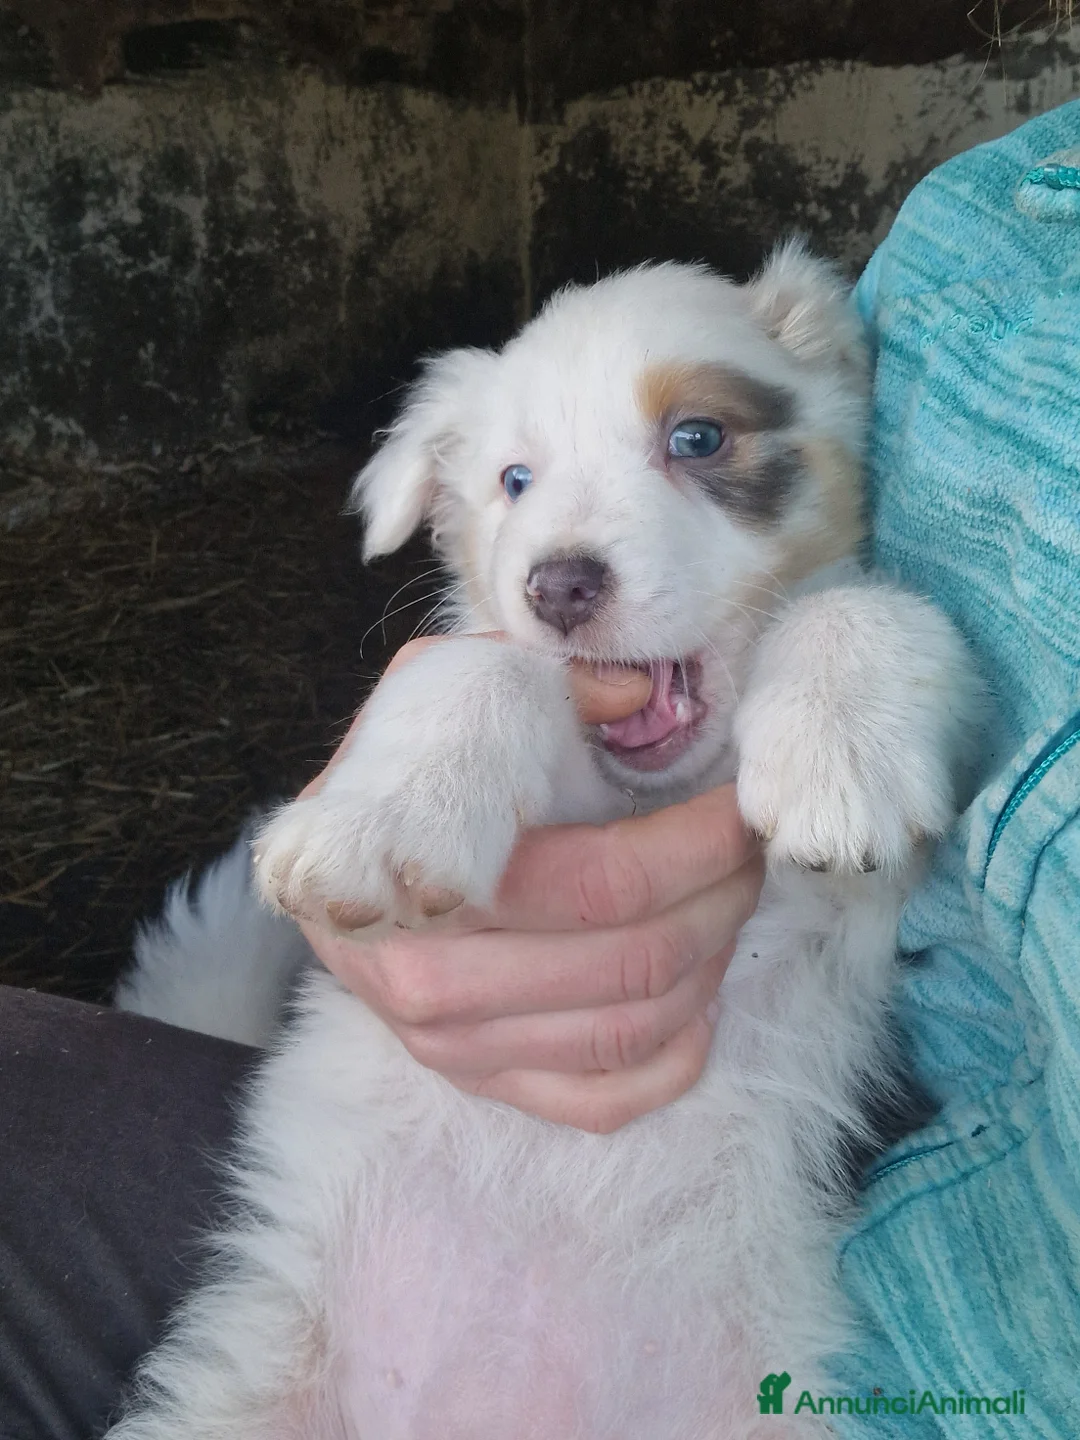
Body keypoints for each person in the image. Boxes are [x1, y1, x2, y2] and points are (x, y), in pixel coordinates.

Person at [2, 97, 1078, 1438]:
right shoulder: (493, 680)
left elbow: (876, 761)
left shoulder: (846, 637)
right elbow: (467, 719)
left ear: (829, 391)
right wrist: (431, 758)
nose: (562, 555)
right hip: (333, 1341)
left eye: (695, 442)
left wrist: (844, 655)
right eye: (514, 481)